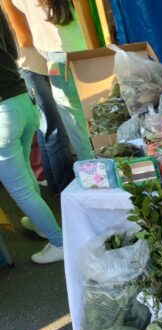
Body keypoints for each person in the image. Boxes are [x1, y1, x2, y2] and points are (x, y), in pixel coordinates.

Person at [0, 7, 64, 263]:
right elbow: (14, 50)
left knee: (21, 189)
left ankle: (59, 242)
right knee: (25, 175)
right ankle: (40, 224)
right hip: (21, 99)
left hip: (3, 113)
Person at [1, 0, 74, 197]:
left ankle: (58, 189)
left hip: (36, 63)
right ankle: (67, 190)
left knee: (46, 130)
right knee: (53, 130)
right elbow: (23, 39)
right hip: (30, 65)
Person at [12, 0, 94, 161]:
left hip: (56, 60)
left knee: (78, 132)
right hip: (91, 51)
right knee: (109, 120)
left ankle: (91, 171)